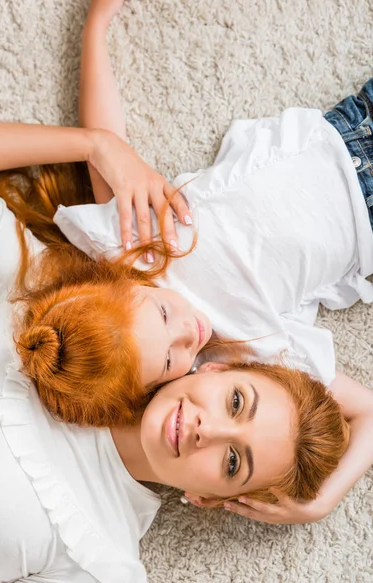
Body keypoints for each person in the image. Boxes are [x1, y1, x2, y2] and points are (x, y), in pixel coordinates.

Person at [0, 145, 348, 583]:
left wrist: (321, 504)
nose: (204, 431)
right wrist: (91, 142)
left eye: (233, 461)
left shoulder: (100, 562)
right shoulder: (63, 313)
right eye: (235, 402)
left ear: (209, 500)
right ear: (213, 370)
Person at [49, 0, 373, 525]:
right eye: (230, 459)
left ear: (220, 373)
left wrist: (97, 25)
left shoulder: (132, 272)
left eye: (237, 403)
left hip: (340, 134)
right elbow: (368, 412)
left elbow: (107, 145)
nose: (211, 428)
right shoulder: (254, 353)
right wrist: (316, 504)